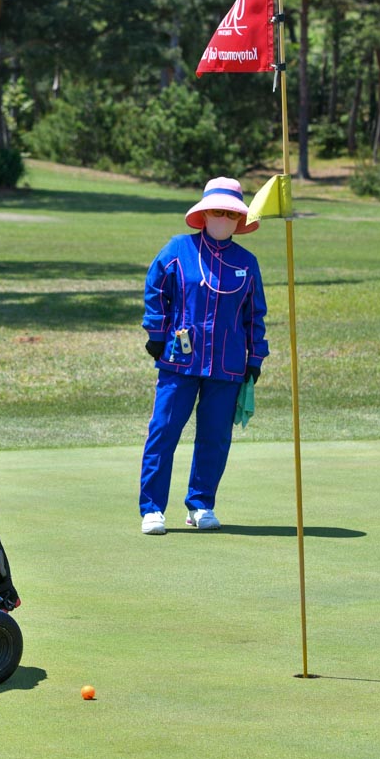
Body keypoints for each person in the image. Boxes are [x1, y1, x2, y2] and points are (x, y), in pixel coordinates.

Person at [139, 177, 268, 535]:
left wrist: (255, 359)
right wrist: (156, 332)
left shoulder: (247, 262)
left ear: (239, 219)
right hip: (179, 362)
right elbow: (156, 288)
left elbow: (254, 315)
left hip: (227, 366)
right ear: (203, 213)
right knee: (163, 431)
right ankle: (152, 509)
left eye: (230, 212)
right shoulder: (178, 249)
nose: (222, 218)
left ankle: (200, 504)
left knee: (214, 437)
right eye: (216, 210)